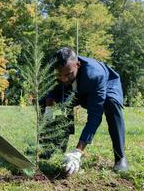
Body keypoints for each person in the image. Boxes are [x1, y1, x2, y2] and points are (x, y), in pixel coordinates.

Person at [44, 47, 128, 175]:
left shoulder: (95, 75)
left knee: (111, 104)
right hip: (77, 88)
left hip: (106, 85)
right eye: (59, 75)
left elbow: (95, 116)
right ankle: (52, 148)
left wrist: (78, 152)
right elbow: (51, 90)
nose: (63, 78)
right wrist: (48, 109)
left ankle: (120, 157)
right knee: (49, 102)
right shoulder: (58, 69)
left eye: (68, 74)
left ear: (78, 65)